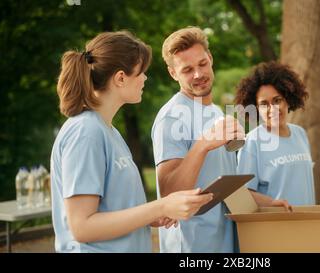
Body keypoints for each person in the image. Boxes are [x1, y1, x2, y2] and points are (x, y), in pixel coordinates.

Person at [51, 31, 212, 253]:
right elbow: (82, 227)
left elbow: (112, 210)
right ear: (120, 78)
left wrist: (151, 216)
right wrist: (160, 206)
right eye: (141, 72)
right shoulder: (85, 132)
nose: (145, 78)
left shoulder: (110, 133)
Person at [151, 27, 290, 253]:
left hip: (225, 242)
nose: (198, 74)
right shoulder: (171, 117)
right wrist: (204, 144)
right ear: (173, 73)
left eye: (202, 64)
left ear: (211, 59)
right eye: (187, 69)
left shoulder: (216, 112)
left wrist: (266, 203)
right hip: (192, 248)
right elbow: (169, 194)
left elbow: (223, 186)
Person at [234, 61, 315, 206]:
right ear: (256, 108)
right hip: (276, 224)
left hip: (306, 223)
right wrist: (272, 203)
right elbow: (241, 194)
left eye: (277, 100)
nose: (273, 109)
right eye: (264, 104)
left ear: (288, 100)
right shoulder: (253, 142)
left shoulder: (300, 134)